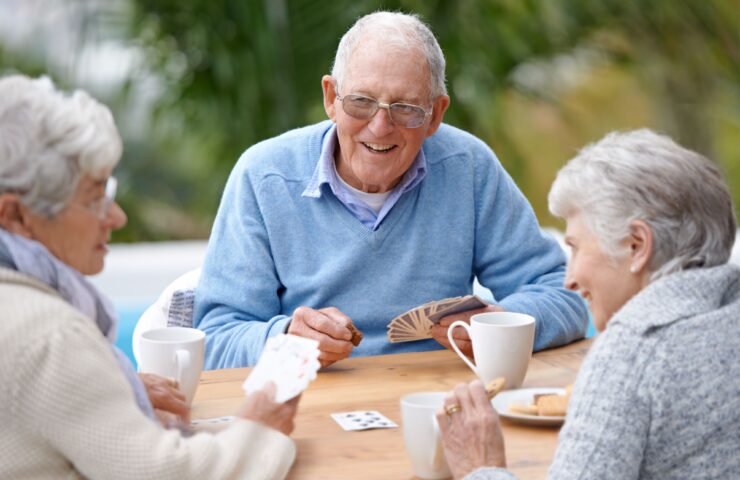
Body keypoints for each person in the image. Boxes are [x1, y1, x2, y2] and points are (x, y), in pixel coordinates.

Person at [194, 11, 588, 369]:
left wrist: (500, 324)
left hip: (438, 401)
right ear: (331, 98)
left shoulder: (468, 167)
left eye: (405, 108)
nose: (380, 127)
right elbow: (213, 337)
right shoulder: (264, 177)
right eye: (361, 102)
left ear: (435, 114)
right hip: (309, 400)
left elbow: (565, 294)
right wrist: (282, 340)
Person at [0, 75, 299, 479]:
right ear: (15, 215)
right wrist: (259, 428)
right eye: (93, 199)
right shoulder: (52, 338)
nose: (116, 217)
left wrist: (114, 390)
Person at [436, 129, 740, 479]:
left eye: (576, 247)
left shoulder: (634, 352)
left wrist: (481, 467)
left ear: (637, 245)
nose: (570, 278)